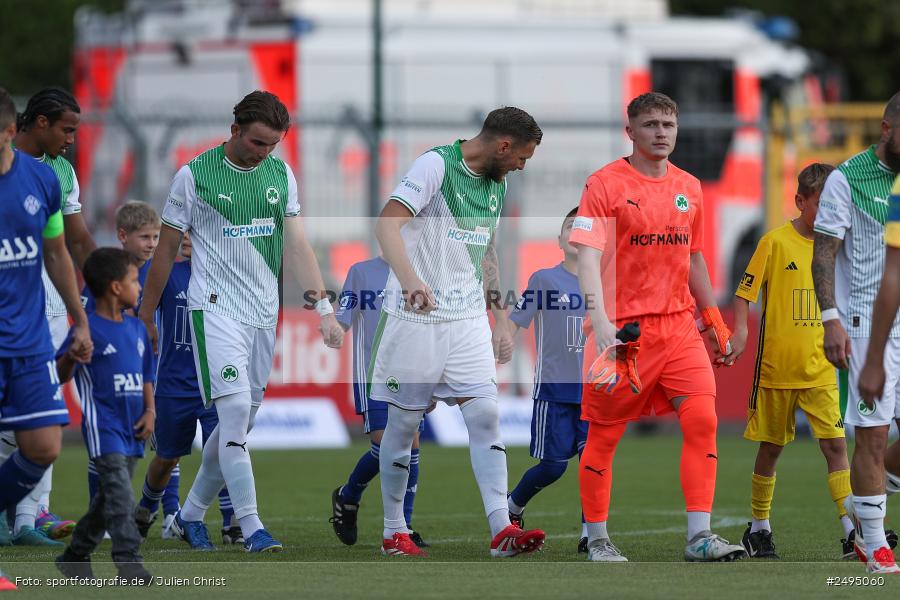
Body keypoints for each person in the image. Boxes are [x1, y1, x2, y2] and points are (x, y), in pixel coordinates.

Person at [137, 90, 343, 553]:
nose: (264, 152)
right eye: (257, 142)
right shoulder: (194, 176)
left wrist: (324, 310)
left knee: (238, 426)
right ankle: (252, 527)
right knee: (231, 416)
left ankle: (189, 515)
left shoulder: (280, 174)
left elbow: (297, 246)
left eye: (273, 144)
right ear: (234, 130)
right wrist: (145, 316)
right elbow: (166, 250)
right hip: (213, 310)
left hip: (263, 315)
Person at [572, 92, 746, 563]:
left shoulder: (690, 186)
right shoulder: (604, 184)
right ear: (630, 131)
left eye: (668, 125)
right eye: (650, 125)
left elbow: (694, 257)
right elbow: (586, 257)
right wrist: (599, 320)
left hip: (678, 328)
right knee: (604, 436)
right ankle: (597, 538)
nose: (661, 133)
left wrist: (712, 319)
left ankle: (699, 537)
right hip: (623, 334)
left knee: (703, 420)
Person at [371, 106, 546, 557]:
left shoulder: (496, 184)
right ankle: (393, 531)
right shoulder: (435, 166)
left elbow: (486, 252)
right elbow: (386, 225)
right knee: (404, 425)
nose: (521, 166)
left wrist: (500, 318)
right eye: (521, 157)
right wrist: (410, 281)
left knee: (486, 417)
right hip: (415, 320)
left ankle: (502, 530)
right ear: (503, 146)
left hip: (467, 319)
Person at [731, 163, 867, 560]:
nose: (828, 212)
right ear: (800, 201)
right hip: (777, 370)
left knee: (836, 447)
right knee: (771, 449)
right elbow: (744, 293)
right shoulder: (774, 242)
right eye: (821, 203)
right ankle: (759, 527)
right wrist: (740, 332)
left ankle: (852, 531)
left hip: (822, 370)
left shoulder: (839, 247)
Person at [0, 87, 92, 591]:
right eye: (66, 129)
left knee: (44, 439)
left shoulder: (48, 177)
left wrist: (86, 311)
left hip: (37, 326)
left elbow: (62, 248)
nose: (72, 139)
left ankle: (28, 516)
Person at [815, 91, 900, 574]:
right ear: (887, 129)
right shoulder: (847, 178)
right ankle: (873, 543)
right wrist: (831, 318)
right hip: (866, 324)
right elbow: (824, 252)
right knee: (873, 433)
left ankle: (866, 494)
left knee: (880, 447)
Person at [54, 248, 154, 584]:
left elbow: (146, 376)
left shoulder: (137, 329)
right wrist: (72, 356)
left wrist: (150, 411)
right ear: (115, 287)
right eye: (134, 280)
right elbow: (60, 374)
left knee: (106, 500)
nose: (139, 287)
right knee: (122, 496)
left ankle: (74, 556)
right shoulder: (87, 330)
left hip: (133, 427)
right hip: (104, 428)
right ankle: (129, 564)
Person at [134, 232, 238, 544]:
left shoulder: (228, 278)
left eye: (196, 230)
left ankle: (232, 523)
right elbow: (140, 315)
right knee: (167, 458)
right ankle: (145, 509)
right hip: (172, 386)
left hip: (215, 385)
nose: (188, 236)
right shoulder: (166, 273)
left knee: (225, 452)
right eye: (185, 231)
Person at [329, 254, 428, 549]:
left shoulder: (423, 270)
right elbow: (343, 317)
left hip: (411, 373)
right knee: (385, 443)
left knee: (410, 443)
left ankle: (404, 526)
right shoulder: (361, 272)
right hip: (372, 373)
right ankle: (349, 496)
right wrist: (333, 328)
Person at [507, 207, 589, 552]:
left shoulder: (605, 284)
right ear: (559, 239)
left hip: (594, 394)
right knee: (553, 467)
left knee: (593, 466)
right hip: (554, 392)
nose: (575, 233)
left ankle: (591, 534)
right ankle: (513, 506)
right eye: (569, 226)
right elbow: (516, 321)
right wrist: (500, 344)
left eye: (582, 228)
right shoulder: (544, 280)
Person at [81, 201, 160, 515]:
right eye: (145, 237)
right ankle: (108, 517)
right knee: (105, 453)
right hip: (107, 380)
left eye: (156, 237)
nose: (152, 244)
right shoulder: (105, 272)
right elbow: (90, 320)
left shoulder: (159, 271)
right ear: (123, 236)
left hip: (143, 373)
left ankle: (168, 512)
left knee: (147, 448)